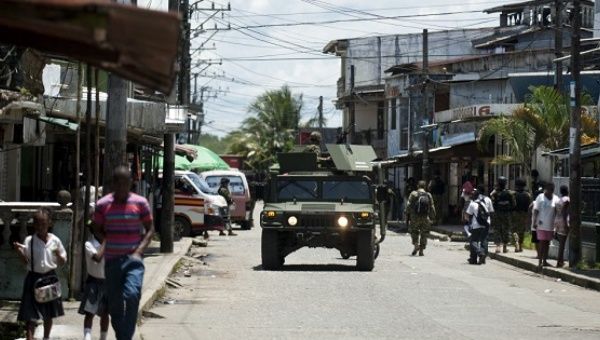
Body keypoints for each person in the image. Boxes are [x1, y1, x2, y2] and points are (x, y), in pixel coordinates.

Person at [93, 166, 155, 340]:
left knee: (132, 294)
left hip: (133, 260)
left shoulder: (140, 203)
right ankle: (123, 336)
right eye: (118, 183)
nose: (121, 187)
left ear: (130, 184)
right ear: (113, 184)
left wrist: (139, 251)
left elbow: (150, 230)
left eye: (125, 183)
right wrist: (107, 240)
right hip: (112, 261)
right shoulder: (103, 205)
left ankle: (126, 336)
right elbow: (96, 228)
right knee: (115, 306)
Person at [13, 208, 67, 340]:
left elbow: (63, 261)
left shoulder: (55, 240)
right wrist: (19, 252)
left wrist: (59, 255)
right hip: (33, 278)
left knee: (49, 313)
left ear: (49, 223)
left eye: (43, 224)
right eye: (37, 223)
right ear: (34, 224)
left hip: (50, 278)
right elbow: (25, 262)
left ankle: (46, 337)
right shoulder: (29, 241)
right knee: (30, 315)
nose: (40, 227)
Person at [79, 225, 109, 340]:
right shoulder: (89, 244)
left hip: (107, 282)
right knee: (89, 312)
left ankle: (103, 337)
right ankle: (87, 336)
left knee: (105, 313)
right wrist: (106, 241)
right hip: (94, 281)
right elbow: (97, 258)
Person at [532, 182, 560, 268]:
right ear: (545, 189)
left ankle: (545, 261)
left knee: (547, 243)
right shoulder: (540, 197)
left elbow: (557, 211)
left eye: (552, 189)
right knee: (541, 242)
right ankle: (540, 261)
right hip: (541, 223)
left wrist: (556, 224)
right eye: (549, 189)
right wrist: (534, 222)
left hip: (550, 225)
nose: (550, 191)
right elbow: (536, 210)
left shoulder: (555, 198)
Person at [406, 180, 436, 256]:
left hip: (415, 217)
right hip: (425, 217)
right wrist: (433, 216)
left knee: (414, 231)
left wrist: (406, 212)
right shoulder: (428, 195)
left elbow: (408, 204)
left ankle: (416, 245)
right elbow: (432, 206)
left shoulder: (413, 193)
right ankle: (421, 250)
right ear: (425, 186)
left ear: (417, 186)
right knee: (424, 233)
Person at [464, 188, 493, 265]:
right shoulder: (483, 203)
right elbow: (489, 213)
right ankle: (482, 258)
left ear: (473, 197)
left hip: (476, 225)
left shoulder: (472, 204)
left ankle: (478, 255)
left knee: (473, 241)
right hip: (485, 224)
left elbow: (466, 216)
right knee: (483, 240)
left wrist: (468, 222)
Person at [490, 176, 515, 253]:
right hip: (506, 214)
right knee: (506, 229)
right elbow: (514, 204)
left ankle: (498, 247)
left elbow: (492, 203)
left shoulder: (494, 193)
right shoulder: (510, 193)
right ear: (505, 183)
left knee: (497, 229)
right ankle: (505, 246)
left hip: (497, 213)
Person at [512, 178, 532, 253]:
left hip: (514, 213)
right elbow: (530, 206)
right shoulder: (528, 195)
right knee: (522, 230)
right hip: (524, 214)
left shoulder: (513, 194)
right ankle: (520, 245)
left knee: (514, 230)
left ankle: (516, 242)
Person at [555, 185, 570, 268]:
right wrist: (566, 224)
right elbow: (565, 212)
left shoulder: (558, 201)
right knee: (562, 244)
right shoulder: (567, 200)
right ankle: (559, 262)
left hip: (557, 220)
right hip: (564, 221)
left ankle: (560, 261)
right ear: (567, 191)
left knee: (561, 243)